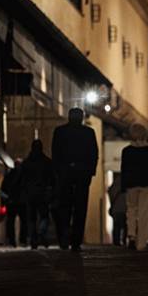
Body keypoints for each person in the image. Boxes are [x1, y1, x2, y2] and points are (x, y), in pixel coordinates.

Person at [50, 107, 99, 251]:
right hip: (82, 175)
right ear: (82, 117)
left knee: (64, 206)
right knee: (80, 208)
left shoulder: (60, 131)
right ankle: (76, 241)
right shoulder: (88, 132)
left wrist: (58, 172)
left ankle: (64, 237)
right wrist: (91, 172)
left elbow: (55, 153)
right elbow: (93, 153)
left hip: (65, 174)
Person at [121, 122, 148, 251]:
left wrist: (123, 186)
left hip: (131, 184)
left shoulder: (126, 151)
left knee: (131, 210)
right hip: (146, 183)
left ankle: (131, 235)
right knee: (144, 213)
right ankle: (141, 243)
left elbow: (124, 169)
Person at [18, 140, 55, 249]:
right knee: (44, 216)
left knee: (32, 218)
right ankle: (41, 233)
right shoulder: (47, 162)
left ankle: (34, 238)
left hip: (30, 194)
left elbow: (22, 179)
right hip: (42, 193)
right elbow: (52, 178)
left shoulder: (26, 163)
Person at [1, 159, 26, 247]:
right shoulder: (24, 176)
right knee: (24, 221)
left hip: (11, 201)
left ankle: (12, 241)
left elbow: (3, 188)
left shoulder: (8, 175)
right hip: (22, 201)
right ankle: (23, 240)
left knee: (10, 221)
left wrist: (3, 202)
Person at [107, 174, 126, 246]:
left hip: (116, 209)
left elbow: (109, 192)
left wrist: (112, 203)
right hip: (124, 209)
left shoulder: (114, 185)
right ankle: (124, 240)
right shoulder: (125, 185)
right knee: (125, 225)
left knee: (116, 226)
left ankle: (116, 241)